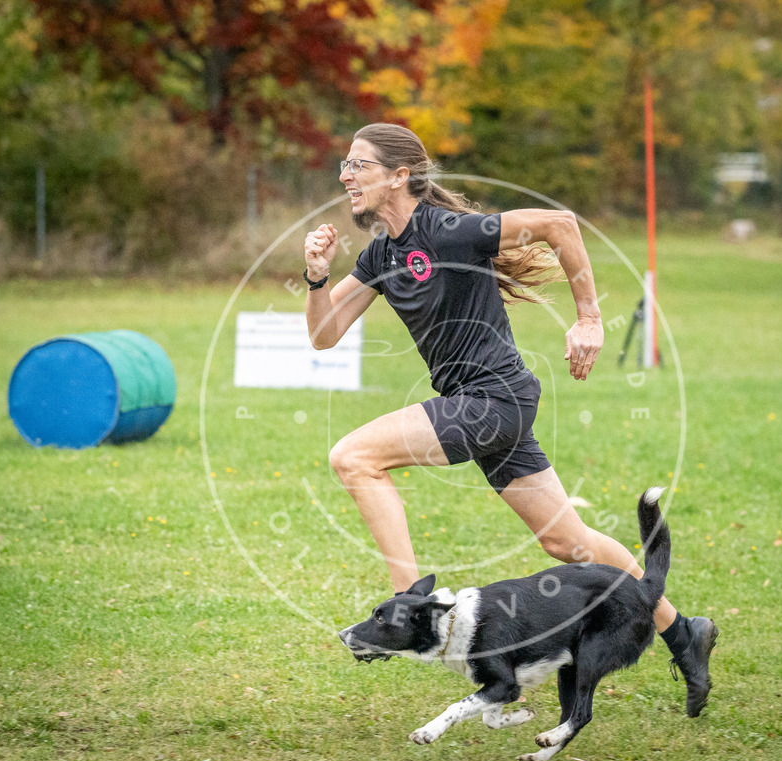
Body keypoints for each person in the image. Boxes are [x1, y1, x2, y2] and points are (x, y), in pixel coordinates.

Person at [303, 123, 717, 717]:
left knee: (354, 457)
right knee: (569, 543)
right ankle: (684, 634)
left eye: (357, 164)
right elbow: (324, 334)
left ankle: (407, 603)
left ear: (399, 175)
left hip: (492, 399)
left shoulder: (447, 230)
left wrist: (589, 318)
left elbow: (561, 225)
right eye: (344, 164)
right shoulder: (381, 255)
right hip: (493, 402)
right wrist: (317, 276)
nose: (345, 175)